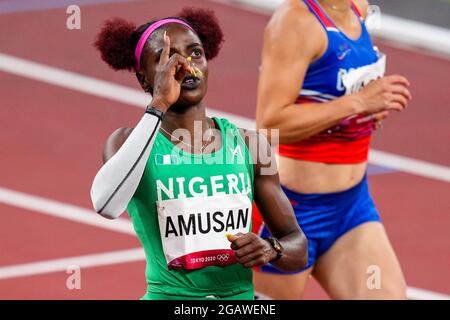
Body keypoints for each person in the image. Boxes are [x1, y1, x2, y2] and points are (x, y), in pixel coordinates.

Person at [90, 8, 307, 300]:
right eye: (167, 59)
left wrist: (272, 249)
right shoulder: (127, 142)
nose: (186, 66)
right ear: (144, 79)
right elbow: (106, 204)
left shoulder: (251, 145)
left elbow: (298, 246)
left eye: (195, 53)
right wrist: (158, 105)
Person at [253, 0, 411, 299]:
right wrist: (359, 102)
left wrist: (365, 111)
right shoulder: (295, 21)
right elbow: (269, 125)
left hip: (351, 207)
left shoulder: (357, 8)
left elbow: (331, 89)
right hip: (289, 214)